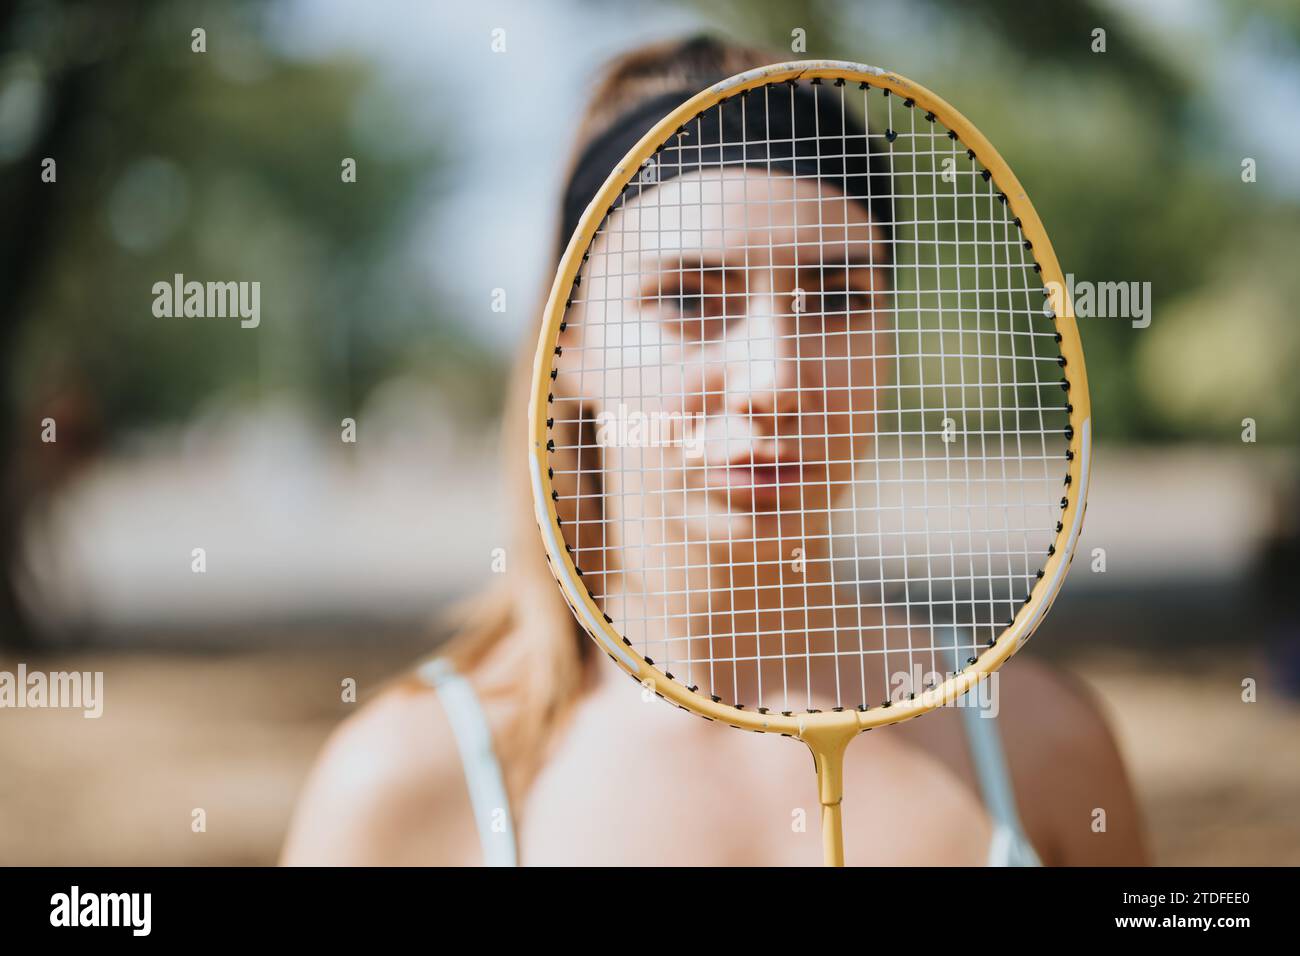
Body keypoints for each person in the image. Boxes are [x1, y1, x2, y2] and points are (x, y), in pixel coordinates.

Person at [281, 35, 1146, 867]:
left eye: (838, 296)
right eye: (689, 297)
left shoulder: (1042, 745)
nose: (771, 380)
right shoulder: (402, 785)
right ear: (567, 348)